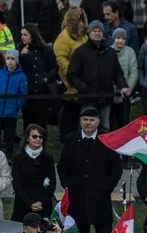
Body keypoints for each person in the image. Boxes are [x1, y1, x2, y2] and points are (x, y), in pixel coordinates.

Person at [57, 107, 123, 233]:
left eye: (92, 120)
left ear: (98, 121)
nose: (88, 123)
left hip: (100, 198)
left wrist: (108, 186)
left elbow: (116, 167)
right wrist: (68, 184)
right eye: (85, 119)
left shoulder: (106, 139)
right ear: (80, 121)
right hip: (77, 199)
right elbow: (62, 165)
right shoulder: (70, 140)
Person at [66, 20, 131, 130]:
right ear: (89, 33)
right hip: (87, 98)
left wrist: (123, 86)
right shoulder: (80, 52)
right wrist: (85, 88)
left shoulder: (110, 52)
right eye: (94, 30)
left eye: (99, 30)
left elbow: (118, 73)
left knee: (104, 127)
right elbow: (72, 75)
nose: (97, 33)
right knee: (87, 127)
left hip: (106, 98)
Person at [54, 8, 90, 139]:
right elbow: (60, 59)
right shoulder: (63, 38)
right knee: (68, 113)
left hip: (81, 83)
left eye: (83, 21)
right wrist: (73, 73)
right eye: (79, 21)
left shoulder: (84, 37)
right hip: (70, 84)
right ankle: (65, 139)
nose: (82, 24)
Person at [11, 125, 57, 222]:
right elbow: (17, 184)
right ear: (28, 138)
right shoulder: (18, 158)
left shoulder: (48, 158)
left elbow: (52, 183)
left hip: (43, 206)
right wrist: (30, 203)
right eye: (35, 136)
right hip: (23, 205)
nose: (38, 139)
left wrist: (41, 202)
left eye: (40, 137)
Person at [18, 24, 58, 131]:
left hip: (42, 91)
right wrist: (23, 57)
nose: (22, 37)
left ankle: (41, 145)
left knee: (41, 122)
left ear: (33, 35)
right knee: (27, 122)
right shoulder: (19, 50)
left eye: (25, 35)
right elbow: (19, 70)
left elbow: (54, 68)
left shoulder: (46, 50)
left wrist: (45, 79)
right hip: (27, 92)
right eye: (21, 35)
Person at [0, 50, 28, 154]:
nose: (10, 61)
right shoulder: (0, 74)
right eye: (8, 59)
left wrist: (17, 106)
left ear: (17, 61)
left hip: (11, 112)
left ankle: (9, 155)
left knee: (9, 135)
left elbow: (23, 94)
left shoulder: (21, 76)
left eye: (13, 59)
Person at [111, 28, 139, 128]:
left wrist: (129, 88)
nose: (120, 41)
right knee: (111, 121)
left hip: (125, 94)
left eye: (123, 38)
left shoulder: (130, 52)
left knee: (123, 121)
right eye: (118, 38)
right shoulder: (108, 51)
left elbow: (134, 71)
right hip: (110, 93)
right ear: (114, 38)